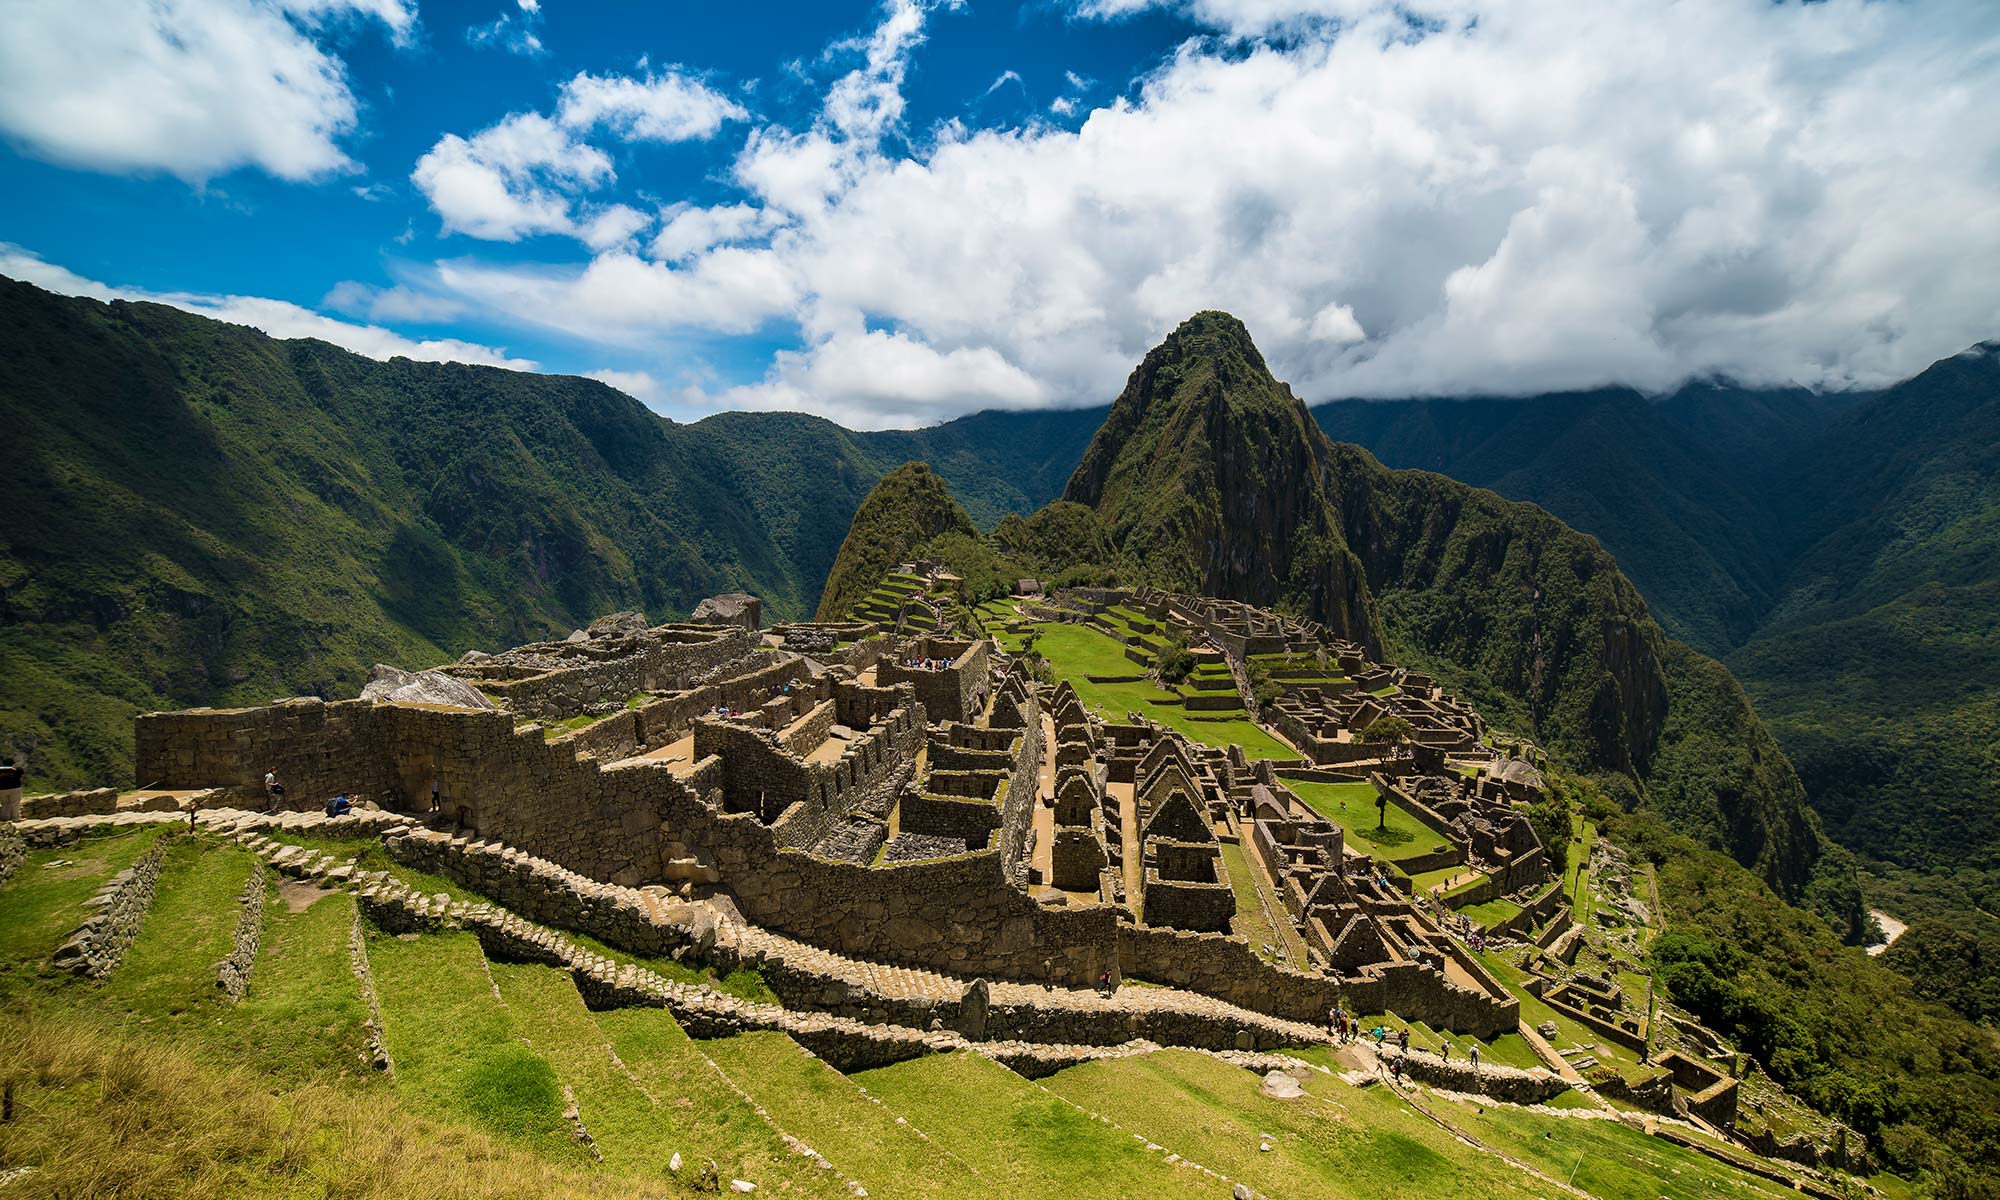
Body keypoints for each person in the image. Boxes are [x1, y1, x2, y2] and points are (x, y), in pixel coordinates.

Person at [0, 753, 22, 823]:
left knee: (4, 803)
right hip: (15, 788)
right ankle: (16, 818)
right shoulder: (17, 769)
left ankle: (4, 817)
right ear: (12, 763)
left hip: (1, 789)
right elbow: (21, 773)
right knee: (15, 803)